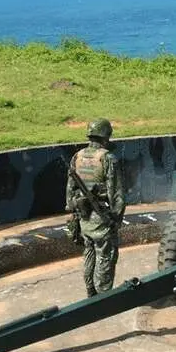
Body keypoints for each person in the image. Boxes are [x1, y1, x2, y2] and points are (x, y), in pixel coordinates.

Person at [65, 118, 125, 297]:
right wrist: (116, 218)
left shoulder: (77, 156)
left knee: (89, 253)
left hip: (84, 218)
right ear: (106, 136)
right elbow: (116, 193)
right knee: (106, 256)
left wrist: (74, 210)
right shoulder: (107, 158)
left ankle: (90, 291)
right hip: (102, 218)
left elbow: (70, 189)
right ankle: (103, 298)